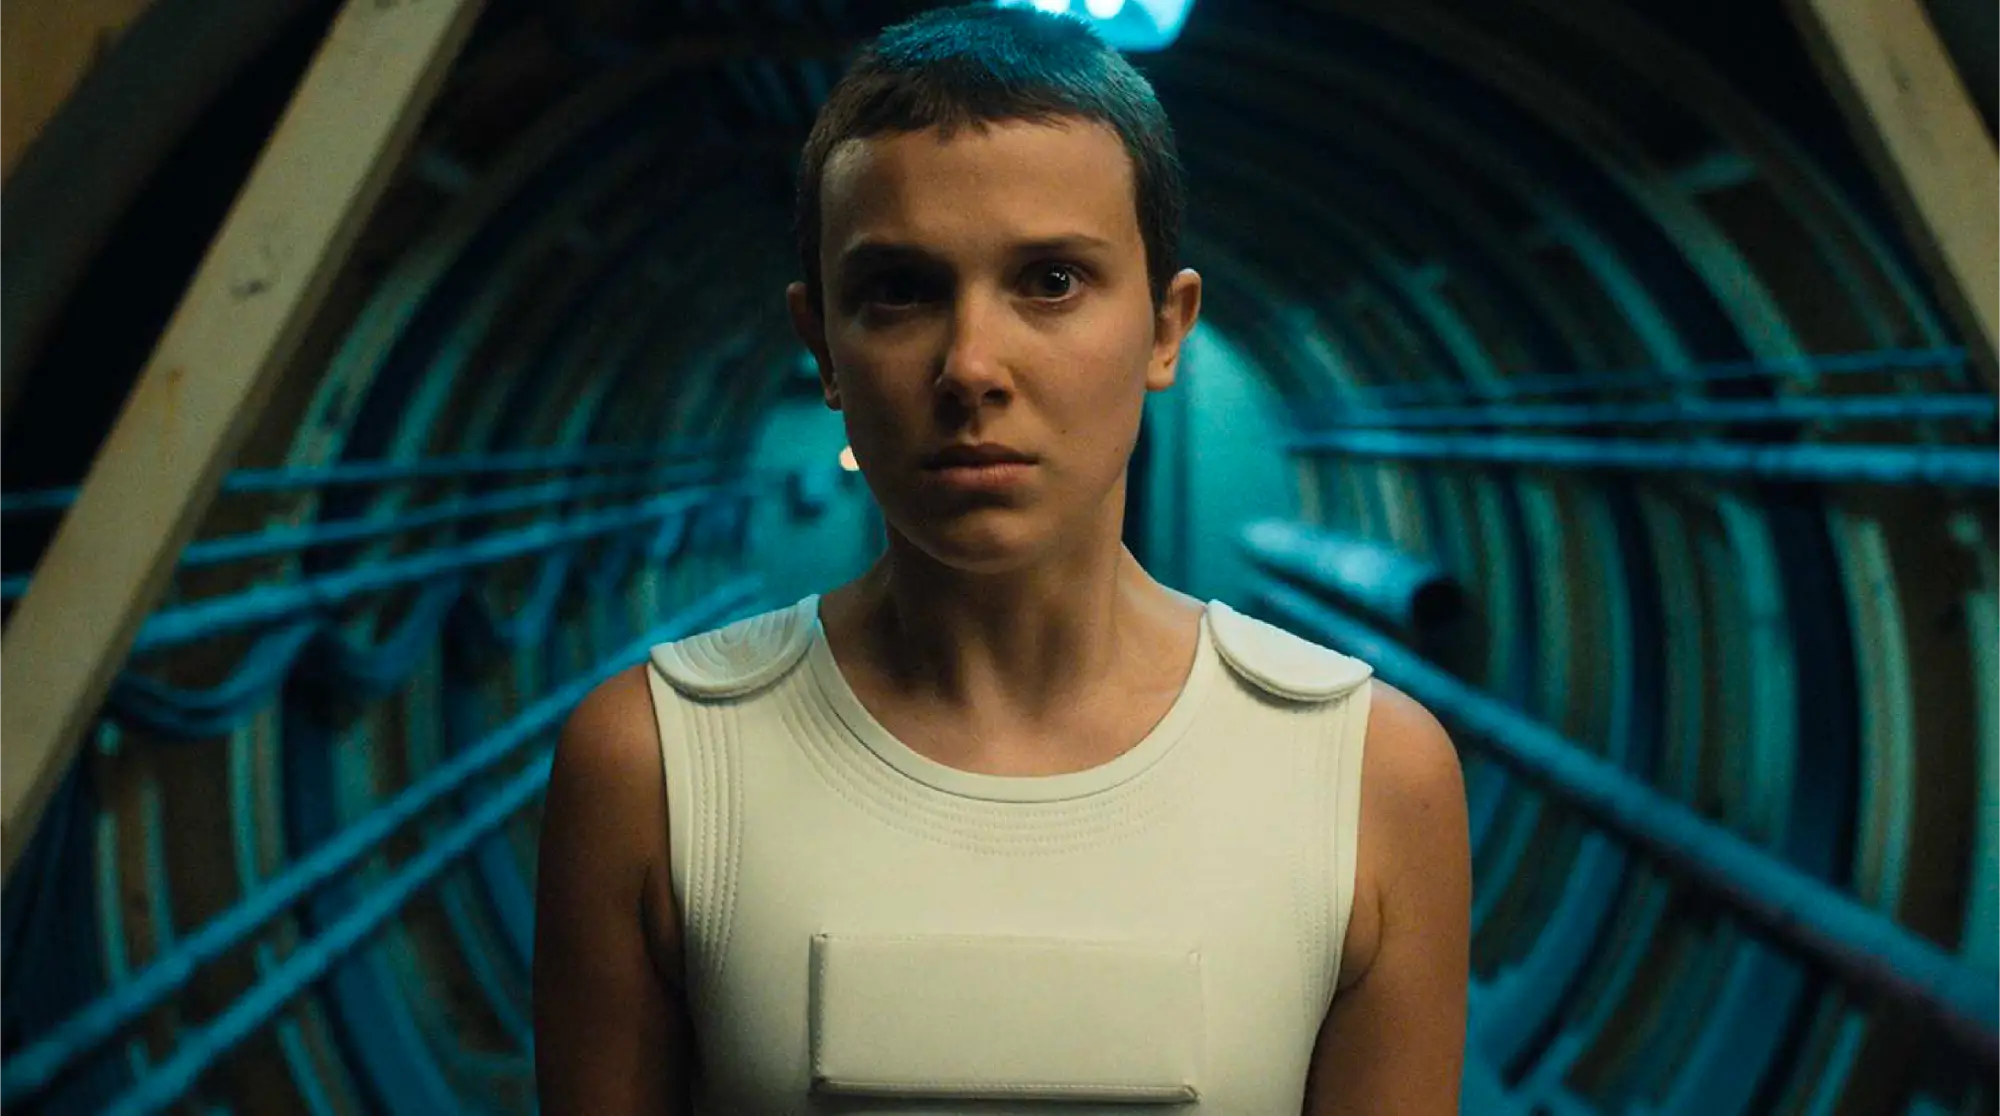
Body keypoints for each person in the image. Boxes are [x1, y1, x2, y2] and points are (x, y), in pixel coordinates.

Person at [531, 4, 1470, 1113]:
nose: (971, 364)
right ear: (822, 343)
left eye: (1051, 281)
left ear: (1165, 328)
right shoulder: (655, 764)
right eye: (900, 289)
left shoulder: (1366, 776)